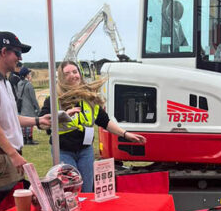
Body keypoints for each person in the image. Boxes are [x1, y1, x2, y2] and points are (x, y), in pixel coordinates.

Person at [39, 61, 146, 192]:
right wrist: (63, 115)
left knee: (87, 190)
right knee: (70, 190)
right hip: (63, 151)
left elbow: (105, 121)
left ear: (80, 74)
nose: (73, 76)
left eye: (75, 72)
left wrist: (125, 134)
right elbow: (42, 123)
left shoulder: (89, 97)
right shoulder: (53, 99)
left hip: (86, 151)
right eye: (67, 73)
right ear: (61, 77)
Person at [0, 31, 51, 189]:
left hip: (7, 156)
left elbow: (10, 118)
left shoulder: (4, 82)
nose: (20, 58)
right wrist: (13, 154)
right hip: (1, 158)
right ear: (3, 52)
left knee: (19, 208)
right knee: (8, 210)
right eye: (18, 52)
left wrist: (38, 121)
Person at [17, 66, 40, 145]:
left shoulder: (19, 84)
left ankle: (24, 139)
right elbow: (33, 98)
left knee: (24, 124)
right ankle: (30, 138)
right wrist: (37, 108)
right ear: (26, 75)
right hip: (29, 106)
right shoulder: (29, 85)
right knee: (30, 123)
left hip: (22, 106)